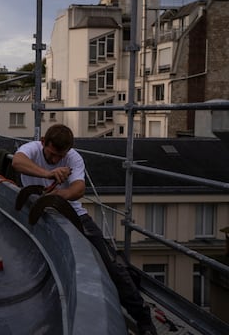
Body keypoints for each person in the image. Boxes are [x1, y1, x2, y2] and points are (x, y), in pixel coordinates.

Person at [12, 124, 157, 335]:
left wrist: (58, 196)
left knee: (112, 265)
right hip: (39, 211)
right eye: (51, 155)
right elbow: (17, 162)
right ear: (43, 142)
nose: (55, 160)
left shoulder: (73, 158)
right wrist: (49, 173)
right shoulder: (32, 148)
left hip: (73, 213)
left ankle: (143, 319)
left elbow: (78, 189)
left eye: (59, 156)